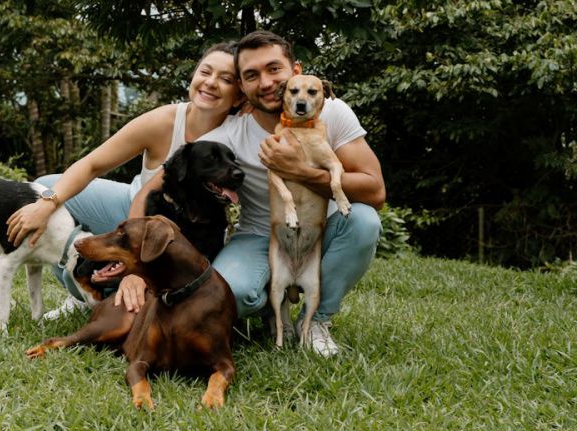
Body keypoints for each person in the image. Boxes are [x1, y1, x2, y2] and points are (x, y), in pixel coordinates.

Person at [128, 30, 385, 356]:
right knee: (231, 295)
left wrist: (301, 172)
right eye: (251, 76)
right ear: (242, 88)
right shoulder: (231, 134)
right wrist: (136, 267)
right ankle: (270, 308)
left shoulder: (332, 112)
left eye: (273, 69)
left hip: (321, 228)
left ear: (295, 70)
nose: (265, 83)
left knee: (363, 220)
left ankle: (316, 323)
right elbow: (157, 186)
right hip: (260, 236)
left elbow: (374, 191)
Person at [5, 41, 245, 318]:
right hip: (136, 208)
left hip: (194, 232)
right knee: (45, 186)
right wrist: (47, 202)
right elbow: (93, 163)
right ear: (193, 75)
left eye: (226, 79)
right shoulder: (163, 121)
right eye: (205, 72)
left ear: (239, 96)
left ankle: (128, 294)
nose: (211, 83)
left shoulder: (239, 131)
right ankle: (82, 292)